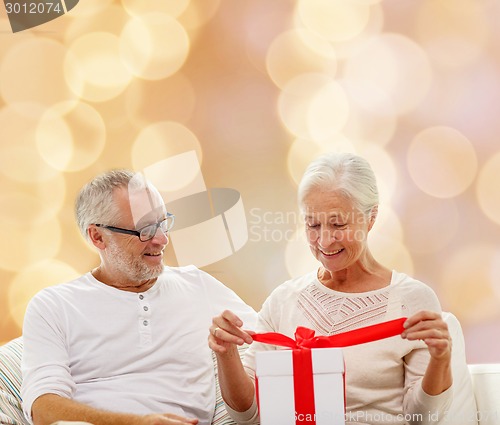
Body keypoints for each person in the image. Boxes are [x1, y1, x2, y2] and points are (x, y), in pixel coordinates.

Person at [209, 152, 454, 425]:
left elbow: (423, 418)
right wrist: (226, 353)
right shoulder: (283, 301)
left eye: (338, 224)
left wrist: (440, 360)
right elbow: (248, 416)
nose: (324, 241)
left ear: (371, 217)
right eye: (312, 225)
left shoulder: (412, 300)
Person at [21, 170, 257, 425]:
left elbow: (277, 342)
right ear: (97, 237)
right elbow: (43, 409)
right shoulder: (53, 306)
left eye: (163, 223)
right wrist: (137, 423)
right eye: (145, 230)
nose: (162, 239)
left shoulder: (198, 286)